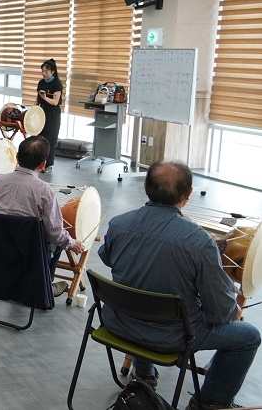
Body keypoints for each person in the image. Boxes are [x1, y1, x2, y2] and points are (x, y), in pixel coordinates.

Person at [99, 161, 259, 410]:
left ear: (145, 187)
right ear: (189, 194)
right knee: (249, 336)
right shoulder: (199, 242)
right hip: (171, 337)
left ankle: (144, 374)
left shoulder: (119, 223)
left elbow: (107, 257)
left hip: (118, 322)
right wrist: (233, 309)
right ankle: (211, 402)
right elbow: (219, 312)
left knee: (142, 290)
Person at [0, 135, 83, 297]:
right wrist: (72, 243)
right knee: (58, 243)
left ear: (17, 157)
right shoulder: (44, 191)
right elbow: (55, 234)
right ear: (43, 164)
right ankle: (44, 288)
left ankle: (17, 282)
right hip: (29, 250)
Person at [36, 58, 62, 172]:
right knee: (39, 138)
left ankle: (48, 164)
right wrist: (33, 110)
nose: (43, 73)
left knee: (50, 139)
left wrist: (45, 97)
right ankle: (38, 162)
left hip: (53, 114)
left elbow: (55, 102)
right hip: (42, 112)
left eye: (46, 71)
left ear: (53, 72)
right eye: (42, 71)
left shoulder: (57, 84)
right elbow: (37, 99)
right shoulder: (41, 82)